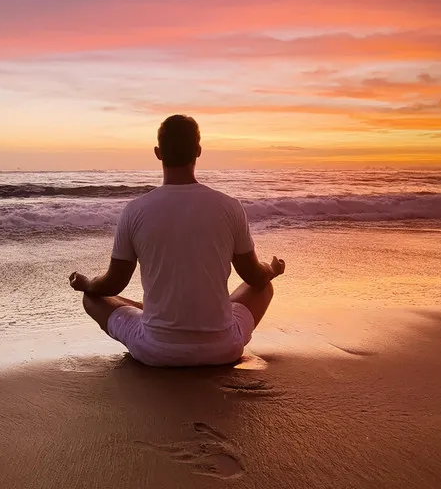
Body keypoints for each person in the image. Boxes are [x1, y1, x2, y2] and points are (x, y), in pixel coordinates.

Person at [69, 114, 285, 366]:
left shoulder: (135, 210)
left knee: (92, 297)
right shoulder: (230, 207)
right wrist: (273, 269)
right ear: (198, 151)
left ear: (158, 153)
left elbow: (113, 284)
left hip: (155, 351)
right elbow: (254, 278)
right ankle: (164, 313)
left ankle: (156, 313)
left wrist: (87, 283)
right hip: (223, 349)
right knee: (264, 286)